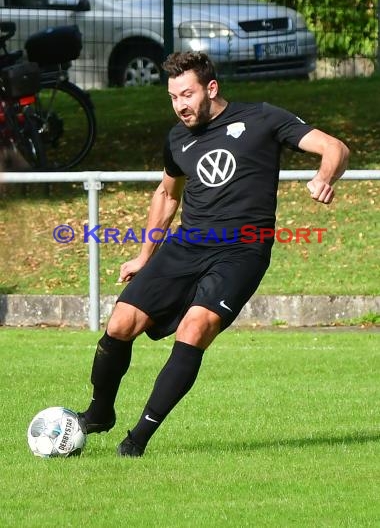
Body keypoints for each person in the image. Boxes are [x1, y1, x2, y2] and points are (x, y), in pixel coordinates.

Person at [78, 51, 350, 457]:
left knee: (195, 328)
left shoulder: (262, 118)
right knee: (120, 323)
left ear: (211, 88)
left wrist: (324, 177)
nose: (180, 105)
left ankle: (136, 442)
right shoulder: (177, 137)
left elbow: (335, 147)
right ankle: (99, 413)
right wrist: (143, 256)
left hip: (242, 250)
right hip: (187, 244)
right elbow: (167, 196)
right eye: (172, 97)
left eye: (186, 94)